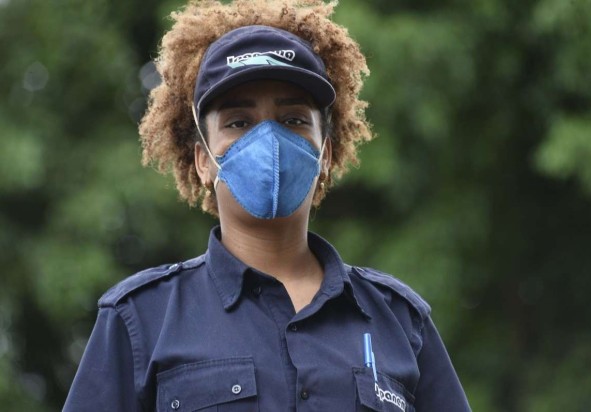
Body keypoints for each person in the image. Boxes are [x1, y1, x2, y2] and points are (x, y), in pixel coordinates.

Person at [64, 0, 471, 410]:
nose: (270, 142)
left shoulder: (401, 322)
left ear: (325, 154)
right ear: (203, 160)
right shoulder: (138, 321)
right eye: (239, 123)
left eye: (293, 120)